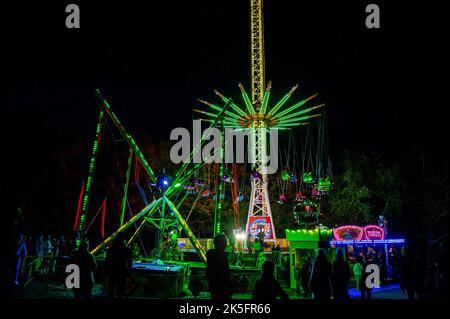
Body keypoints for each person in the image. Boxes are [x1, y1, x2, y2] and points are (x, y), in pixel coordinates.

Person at [105, 233, 132, 298]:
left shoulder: (111, 249)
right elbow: (129, 262)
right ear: (123, 239)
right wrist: (128, 272)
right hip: (121, 272)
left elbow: (107, 261)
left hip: (112, 271)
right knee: (120, 292)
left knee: (111, 292)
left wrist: (107, 271)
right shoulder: (126, 250)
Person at [206, 234, 233, 301]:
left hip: (214, 288)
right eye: (225, 242)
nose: (226, 244)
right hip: (221, 288)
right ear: (220, 243)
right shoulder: (221, 256)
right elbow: (225, 274)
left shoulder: (211, 255)